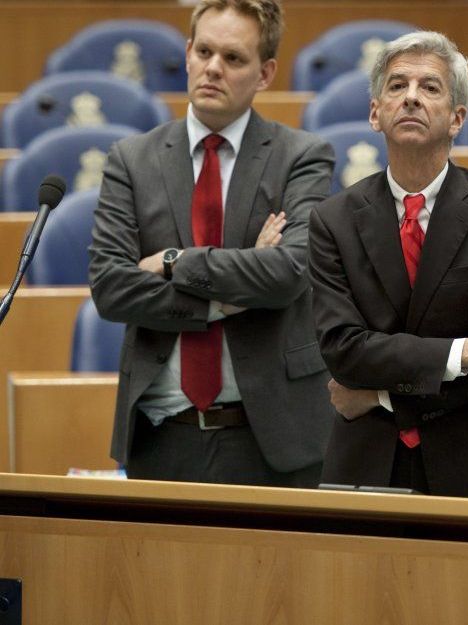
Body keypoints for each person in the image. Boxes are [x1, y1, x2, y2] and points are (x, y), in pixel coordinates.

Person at [88, 0, 335, 487]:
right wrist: (225, 302)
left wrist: (174, 261)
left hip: (274, 438)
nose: (213, 68)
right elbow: (112, 287)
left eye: (233, 58)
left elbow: (288, 274)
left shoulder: (301, 157)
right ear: (186, 53)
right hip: (162, 434)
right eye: (204, 52)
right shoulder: (130, 161)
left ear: (264, 73)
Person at [309, 32, 468, 500]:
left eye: (430, 87)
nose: (411, 96)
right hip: (367, 461)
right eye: (397, 86)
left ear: (457, 119)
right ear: (375, 113)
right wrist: (463, 352)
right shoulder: (332, 221)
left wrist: (376, 395)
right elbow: (344, 351)